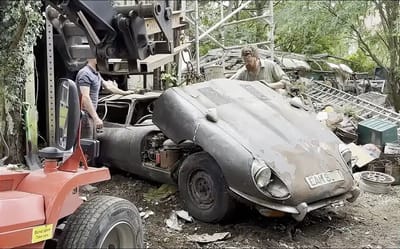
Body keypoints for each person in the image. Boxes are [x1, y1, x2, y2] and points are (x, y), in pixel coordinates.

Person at [76, 58, 134, 139]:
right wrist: (96, 118)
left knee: (90, 143)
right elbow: (85, 98)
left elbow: (108, 86)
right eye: (101, 57)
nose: (104, 60)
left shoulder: (96, 73)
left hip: (89, 116)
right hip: (84, 116)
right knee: (87, 144)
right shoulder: (85, 74)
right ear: (92, 58)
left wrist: (124, 92)